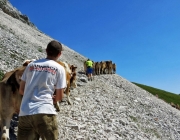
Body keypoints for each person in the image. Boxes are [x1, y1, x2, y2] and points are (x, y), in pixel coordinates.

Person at [18, 40, 66, 140]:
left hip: (25, 112)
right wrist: (52, 99)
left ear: (46, 50)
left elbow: (21, 90)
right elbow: (60, 96)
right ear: (60, 54)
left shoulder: (31, 65)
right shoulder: (59, 68)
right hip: (45, 111)